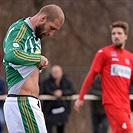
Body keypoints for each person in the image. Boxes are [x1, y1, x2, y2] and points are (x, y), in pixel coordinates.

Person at [3, 4, 65, 133]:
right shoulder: (19, 29)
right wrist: (38, 59)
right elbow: (11, 54)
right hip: (23, 102)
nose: (51, 34)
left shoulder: (36, 36)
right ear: (43, 18)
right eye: (52, 28)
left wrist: (39, 65)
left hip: (25, 102)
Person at [74, 21, 133, 133]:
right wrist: (81, 97)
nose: (116, 36)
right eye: (113, 33)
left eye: (119, 33)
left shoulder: (130, 57)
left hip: (125, 103)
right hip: (111, 102)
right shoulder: (104, 53)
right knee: (128, 130)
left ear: (125, 36)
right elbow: (91, 75)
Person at [41, 65, 75, 133]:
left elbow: (72, 91)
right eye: (54, 72)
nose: (55, 73)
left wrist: (62, 92)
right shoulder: (46, 81)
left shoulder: (67, 81)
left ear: (61, 72)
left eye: (57, 72)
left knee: (61, 128)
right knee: (48, 128)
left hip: (63, 109)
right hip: (49, 110)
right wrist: (53, 93)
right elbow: (43, 90)